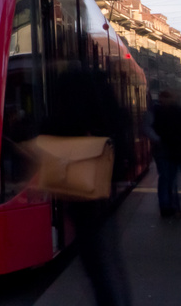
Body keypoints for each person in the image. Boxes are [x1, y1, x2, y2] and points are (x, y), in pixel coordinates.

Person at [43, 60, 134, 306]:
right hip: (104, 184)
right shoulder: (106, 100)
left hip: (82, 187)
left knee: (95, 263)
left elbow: (57, 128)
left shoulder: (72, 97)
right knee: (106, 258)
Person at [146, 89, 181, 218]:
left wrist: (158, 139)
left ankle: (167, 205)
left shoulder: (155, 111)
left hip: (165, 149)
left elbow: (148, 128)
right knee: (170, 178)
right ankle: (170, 206)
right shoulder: (177, 111)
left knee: (166, 178)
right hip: (172, 149)